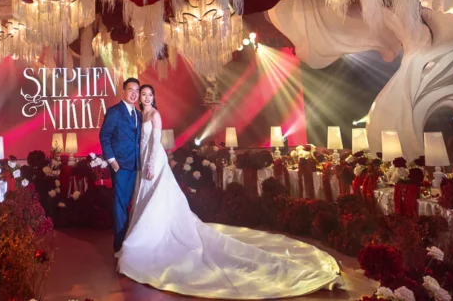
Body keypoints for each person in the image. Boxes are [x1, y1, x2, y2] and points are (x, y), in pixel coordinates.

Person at [116, 84, 344, 299]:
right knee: (147, 200)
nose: (145, 97)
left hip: (153, 163)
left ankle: (149, 240)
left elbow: (156, 142)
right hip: (143, 161)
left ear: (153, 96)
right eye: (141, 94)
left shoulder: (154, 114)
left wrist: (149, 165)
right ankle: (147, 236)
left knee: (158, 199)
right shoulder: (140, 115)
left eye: (148, 94)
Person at [98, 77, 141, 254]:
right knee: (121, 205)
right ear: (123, 91)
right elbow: (104, 136)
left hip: (136, 165)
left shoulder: (139, 114)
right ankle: (119, 245)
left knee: (133, 204)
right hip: (121, 166)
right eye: (131, 89)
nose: (134, 94)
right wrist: (112, 162)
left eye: (137, 91)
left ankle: (130, 241)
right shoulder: (114, 111)